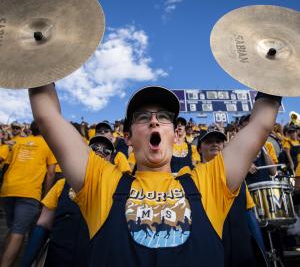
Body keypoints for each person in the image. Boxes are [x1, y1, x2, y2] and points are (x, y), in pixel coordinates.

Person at [28, 84, 280, 266]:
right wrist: (43, 49)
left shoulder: (210, 181)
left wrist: (272, 61)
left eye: (163, 117)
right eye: (142, 117)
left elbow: (261, 123)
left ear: (176, 133)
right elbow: (47, 116)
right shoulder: (101, 181)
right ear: (127, 137)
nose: (154, 122)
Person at [20, 135, 115, 267]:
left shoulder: (116, 191)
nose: (100, 150)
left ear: (111, 161)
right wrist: (26, 262)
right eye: (94, 147)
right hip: (57, 259)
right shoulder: (62, 184)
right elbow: (43, 224)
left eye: (107, 151)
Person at [196, 129, 267, 266]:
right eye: (209, 141)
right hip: (212, 235)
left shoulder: (236, 172)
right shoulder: (192, 174)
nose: (215, 144)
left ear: (224, 146)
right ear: (199, 149)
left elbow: (247, 209)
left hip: (240, 232)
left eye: (218, 141)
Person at [0, 121, 57, 267]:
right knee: (19, 233)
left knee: (13, 229)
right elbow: (51, 173)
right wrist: (45, 196)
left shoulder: (18, 142)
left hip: (8, 189)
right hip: (29, 192)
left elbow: (8, 163)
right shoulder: (48, 145)